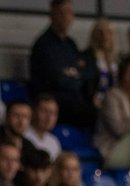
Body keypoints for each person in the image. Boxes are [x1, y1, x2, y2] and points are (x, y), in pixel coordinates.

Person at [27, 0, 93, 128]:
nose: (66, 17)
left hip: (74, 99)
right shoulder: (43, 44)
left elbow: (83, 72)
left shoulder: (71, 44)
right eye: (61, 13)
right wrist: (74, 75)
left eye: (69, 13)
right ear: (52, 15)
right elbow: (57, 79)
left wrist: (71, 74)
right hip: (54, 100)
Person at [24, 94, 62, 161]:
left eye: (53, 113)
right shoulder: (23, 135)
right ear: (33, 112)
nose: (49, 118)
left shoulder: (54, 141)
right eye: (44, 111)